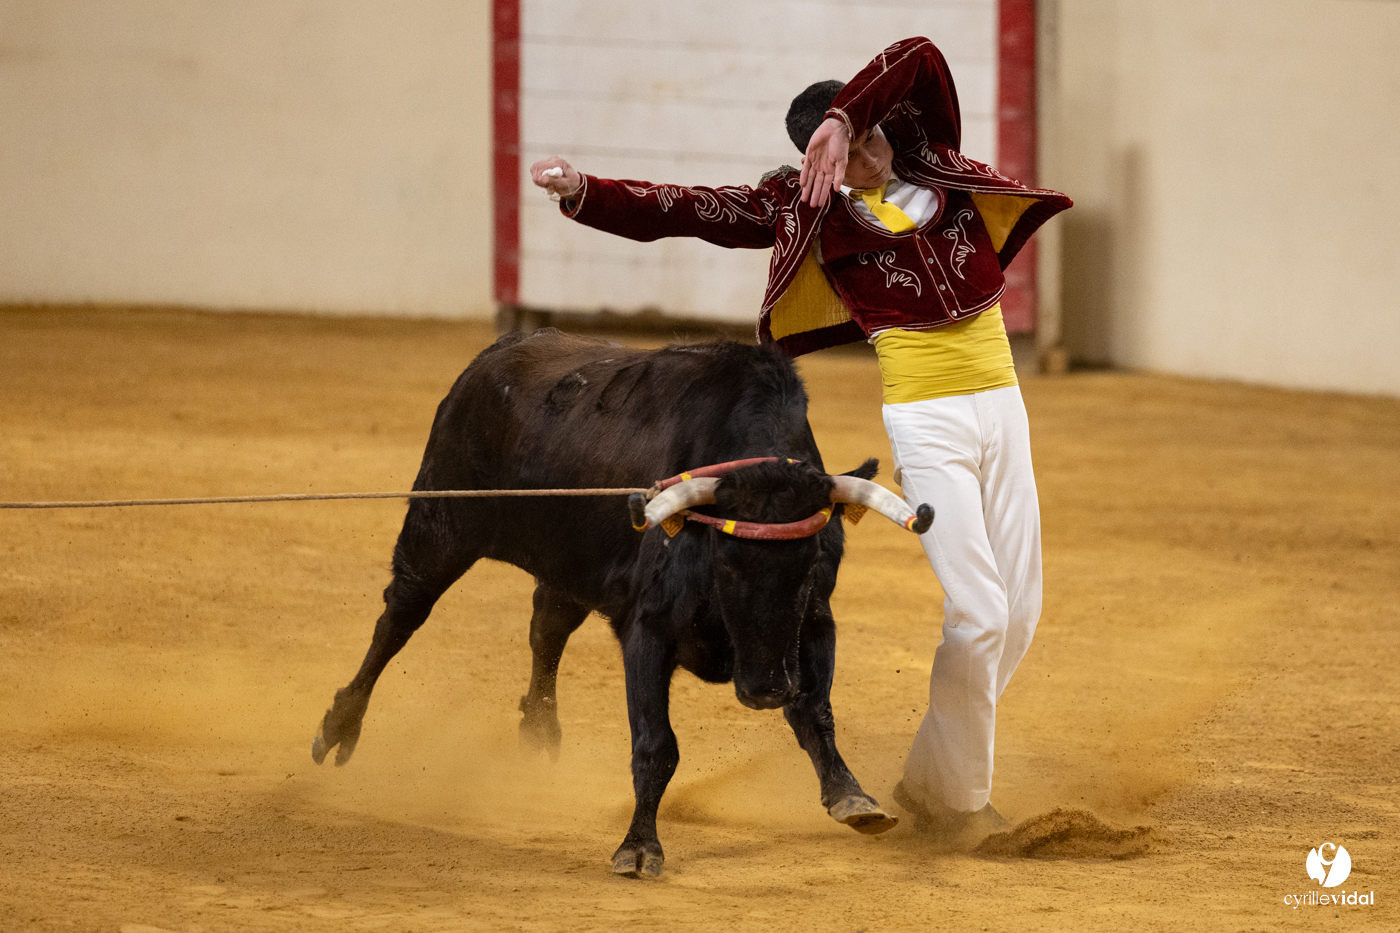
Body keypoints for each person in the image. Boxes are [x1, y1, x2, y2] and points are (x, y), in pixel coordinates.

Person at [529, 36, 1071, 845]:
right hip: (926, 420)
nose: (869, 157)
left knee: (1019, 612)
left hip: (1004, 405)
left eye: (871, 137)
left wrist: (848, 114)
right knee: (982, 611)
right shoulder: (802, 209)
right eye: (846, 154)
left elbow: (918, 53)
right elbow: (687, 210)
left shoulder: (930, 151)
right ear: (818, 165)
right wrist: (585, 192)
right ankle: (960, 797)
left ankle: (933, 775)